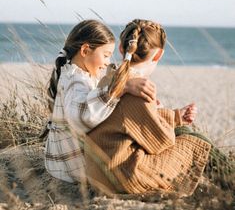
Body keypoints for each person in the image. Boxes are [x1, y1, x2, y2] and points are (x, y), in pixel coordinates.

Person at [85, 19, 234, 196]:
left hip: (97, 172)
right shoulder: (138, 88)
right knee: (197, 142)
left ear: (121, 48)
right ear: (159, 55)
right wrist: (174, 123)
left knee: (185, 131)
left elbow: (130, 122)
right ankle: (230, 181)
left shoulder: (108, 78)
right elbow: (162, 141)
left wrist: (175, 116)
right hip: (122, 176)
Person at [44, 19, 157, 183]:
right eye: (105, 55)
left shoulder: (79, 73)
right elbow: (82, 117)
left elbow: (98, 91)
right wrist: (121, 88)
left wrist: (118, 82)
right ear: (85, 50)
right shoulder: (75, 80)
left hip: (62, 163)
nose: (107, 62)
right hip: (72, 167)